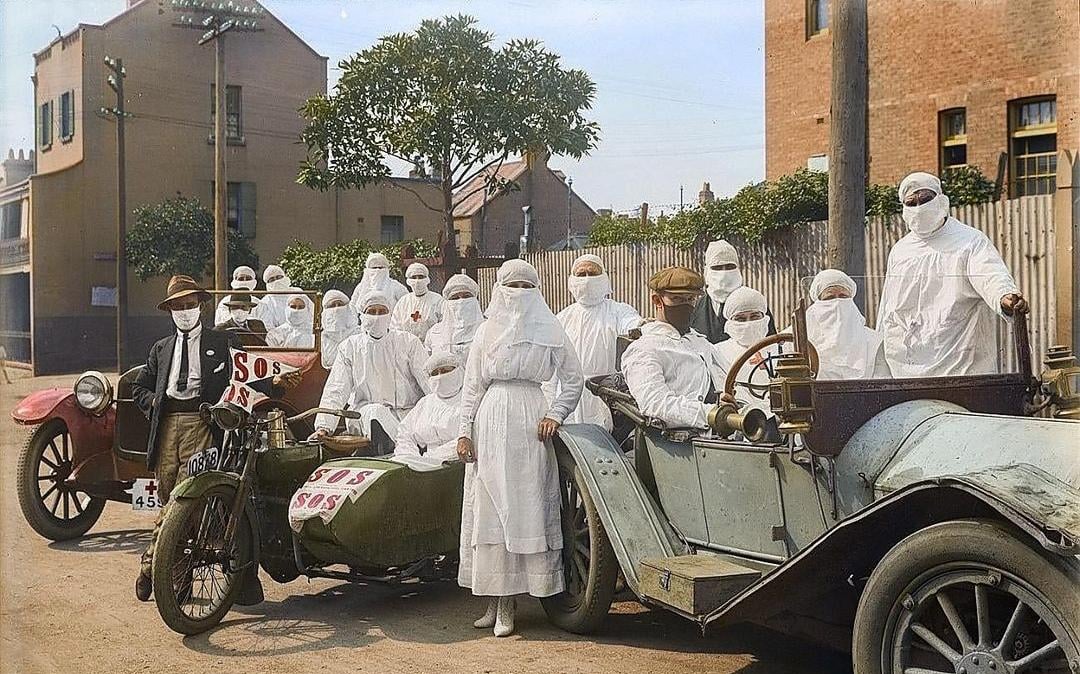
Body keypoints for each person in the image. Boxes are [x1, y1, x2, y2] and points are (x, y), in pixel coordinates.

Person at [131, 275, 295, 602]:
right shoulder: (160, 349)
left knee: (183, 497)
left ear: (201, 307)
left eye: (190, 305)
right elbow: (139, 387)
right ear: (170, 312)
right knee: (168, 499)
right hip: (166, 428)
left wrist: (275, 382)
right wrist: (154, 405)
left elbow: (246, 376)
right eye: (178, 306)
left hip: (201, 423)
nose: (185, 311)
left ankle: (159, 567)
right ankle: (169, 572)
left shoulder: (222, 342)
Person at [456, 259, 583, 637]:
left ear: (537, 290)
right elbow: (472, 386)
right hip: (491, 419)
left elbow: (573, 380)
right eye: (512, 287)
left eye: (526, 287)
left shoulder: (551, 329)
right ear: (498, 289)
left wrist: (556, 414)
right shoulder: (486, 331)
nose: (518, 295)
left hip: (530, 420)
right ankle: (493, 598)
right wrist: (465, 431)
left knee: (523, 504)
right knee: (489, 507)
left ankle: (512, 603)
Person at [878, 172, 1027, 377]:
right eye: (911, 203)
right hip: (905, 367)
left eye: (925, 199)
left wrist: (1004, 296)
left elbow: (989, 274)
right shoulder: (900, 251)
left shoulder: (968, 240)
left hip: (959, 362)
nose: (919, 208)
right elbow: (887, 306)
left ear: (940, 200)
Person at [309, 290, 429, 442]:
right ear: (362, 315)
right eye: (372, 312)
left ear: (390, 314)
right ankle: (406, 446)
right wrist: (323, 427)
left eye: (382, 311)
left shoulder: (408, 342)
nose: (377, 317)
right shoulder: (350, 347)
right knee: (376, 413)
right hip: (365, 417)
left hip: (408, 415)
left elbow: (428, 382)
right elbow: (336, 389)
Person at [621, 267, 729, 429]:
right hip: (685, 441)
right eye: (677, 299)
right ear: (657, 301)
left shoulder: (701, 343)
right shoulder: (644, 349)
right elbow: (654, 403)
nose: (686, 306)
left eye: (690, 299)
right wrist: (710, 413)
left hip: (723, 430)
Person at [546, 254, 641, 430]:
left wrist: (643, 325)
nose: (587, 279)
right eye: (581, 274)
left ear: (603, 277)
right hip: (569, 398)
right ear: (572, 280)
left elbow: (633, 324)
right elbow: (550, 372)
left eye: (592, 273)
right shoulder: (561, 319)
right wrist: (549, 408)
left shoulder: (618, 311)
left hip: (604, 394)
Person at [804, 270, 890, 380]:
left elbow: (883, 382)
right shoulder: (798, 338)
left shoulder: (874, 342)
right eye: (829, 298)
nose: (837, 303)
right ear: (818, 303)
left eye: (843, 297)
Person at [689, 239, 776, 343]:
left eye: (729, 267)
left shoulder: (755, 304)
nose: (724, 273)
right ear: (707, 270)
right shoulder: (695, 308)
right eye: (717, 267)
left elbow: (771, 343)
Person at [393, 351, 466, 464]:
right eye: (435, 373)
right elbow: (404, 432)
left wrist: (431, 458)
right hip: (423, 464)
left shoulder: (468, 400)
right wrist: (410, 457)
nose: (440, 376)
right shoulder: (426, 403)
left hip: (456, 463)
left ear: (459, 371)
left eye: (446, 371)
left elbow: (468, 437)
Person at [715, 286, 783, 406]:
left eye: (755, 317)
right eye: (740, 319)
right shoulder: (717, 352)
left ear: (765, 318)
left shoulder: (781, 349)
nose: (748, 323)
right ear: (729, 323)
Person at [425, 273, 485, 364]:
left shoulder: (486, 330)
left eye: (466, 296)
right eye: (455, 297)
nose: (460, 301)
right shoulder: (434, 333)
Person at [391, 262, 445, 341]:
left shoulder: (438, 300)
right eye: (414, 277)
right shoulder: (403, 302)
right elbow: (395, 327)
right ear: (408, 280)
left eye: (421, 277)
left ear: (427, 279)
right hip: (407, 348)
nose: (417, 281)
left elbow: (444, 325)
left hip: (431, 348)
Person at [320, 289, 360, 369]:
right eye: (332, 305)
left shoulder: (359, 334)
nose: (336, 308)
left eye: (340, 304)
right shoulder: (321, 338)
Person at [255, 264, 299, 330]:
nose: (276, 281)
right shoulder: (265, 302)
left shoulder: (298, 292)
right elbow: (268, 326)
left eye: (279, 277)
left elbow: (311, 314)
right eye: (272, 279)